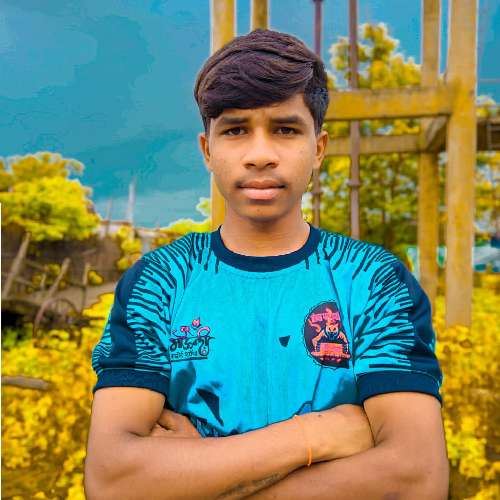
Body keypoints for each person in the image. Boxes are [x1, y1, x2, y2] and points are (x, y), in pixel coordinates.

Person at [84, 28, 449, 499]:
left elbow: (416, 478)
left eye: (285, 129)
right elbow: (112, 481)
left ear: (318, 148)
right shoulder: (160, 282)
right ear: (207, 150)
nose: (260, 155)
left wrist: (196, 477)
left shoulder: (372, 280)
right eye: (236, 130)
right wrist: (316, 435)